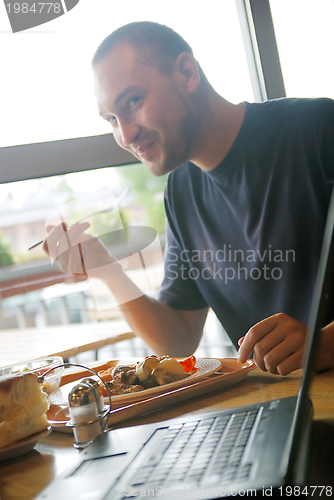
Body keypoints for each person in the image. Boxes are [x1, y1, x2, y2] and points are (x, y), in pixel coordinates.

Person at [43, 21, 334, 376]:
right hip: (277, 407)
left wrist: (325, 344)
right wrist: (105, 268)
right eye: (112, 120)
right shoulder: (182, 191)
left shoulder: (319, 129)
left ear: (186, 73)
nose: (126, 133)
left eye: (133, 102)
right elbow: (178, 339)